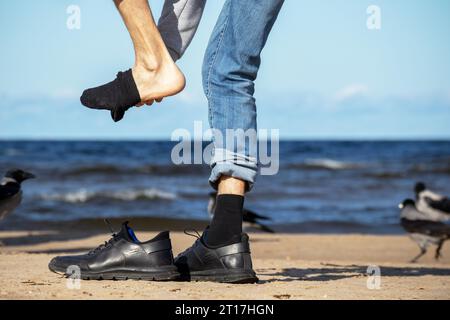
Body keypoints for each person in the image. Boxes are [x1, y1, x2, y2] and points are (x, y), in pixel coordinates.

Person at [49, 0, 284, 284]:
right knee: (229, 70)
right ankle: (226, 239)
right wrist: (166, 54)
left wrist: (156, 64)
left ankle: (151, 66)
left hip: (156, 65)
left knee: (229, 70)